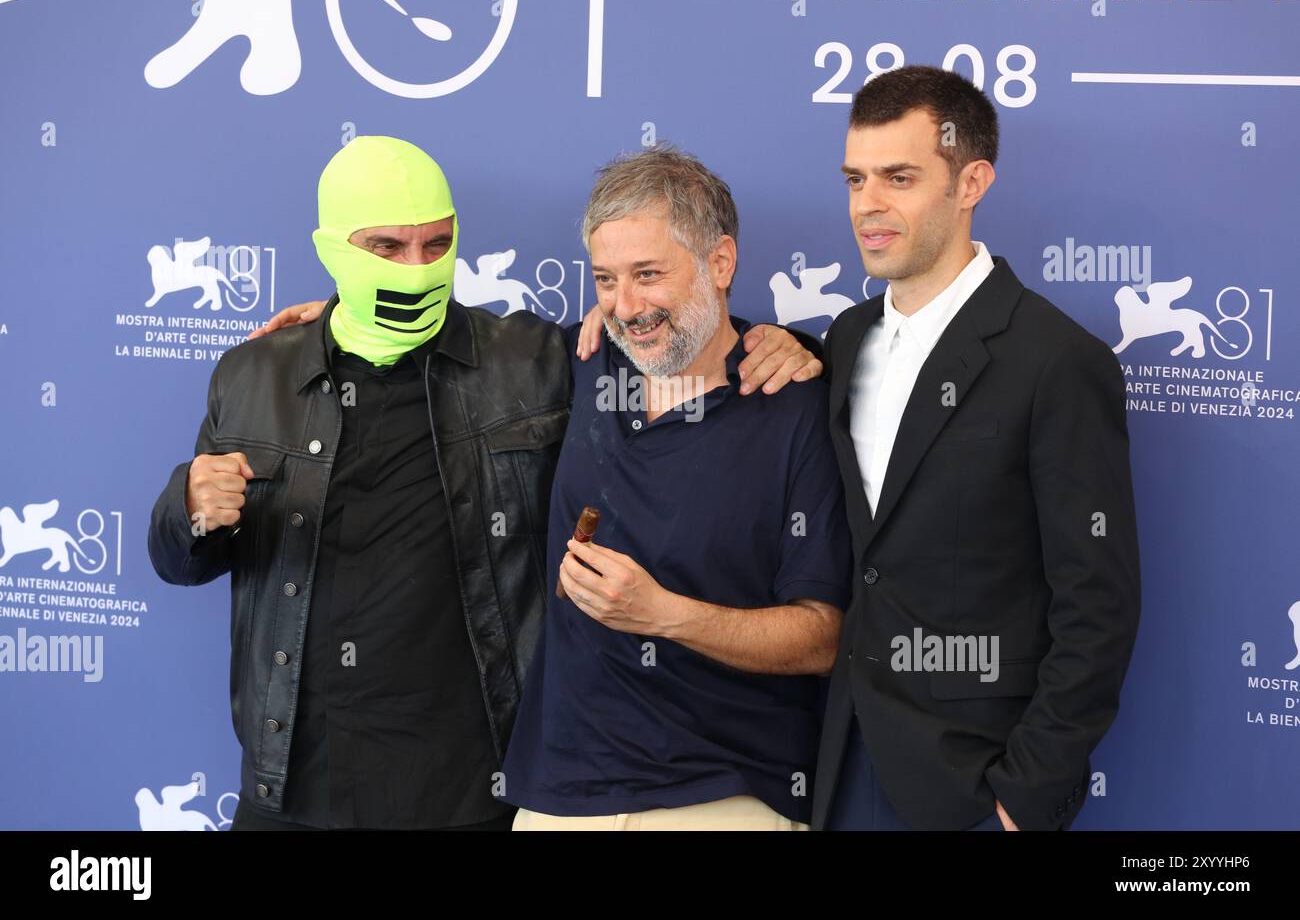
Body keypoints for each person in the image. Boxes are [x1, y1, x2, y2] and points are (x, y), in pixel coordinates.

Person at [148, 135, 820, 831]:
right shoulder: (256, 374)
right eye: (385, 249)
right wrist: (190, 507)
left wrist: (792, 345)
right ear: (335, 249)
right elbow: (181, 560)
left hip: (472, 790)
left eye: (435, 246)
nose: (415, 270)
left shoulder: (527, 361)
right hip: (291, 784)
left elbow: (676, 340)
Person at [812, 67, 1141, 832]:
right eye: (856, 178)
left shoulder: (1056, 359)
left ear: (971, 182)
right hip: (841, 761)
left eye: (900, 177)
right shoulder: (845, 338)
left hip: (971, 781)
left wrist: (1023, 798)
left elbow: (1098, 604)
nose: (869, 205)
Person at [501, 147, 853, 831]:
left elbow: (821, 637)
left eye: (648, 274)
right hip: (560, 797)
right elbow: (434, 347)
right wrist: (332, 321)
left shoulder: (797, 403)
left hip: (726, 794)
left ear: (720, 264)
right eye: (605, 279)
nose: (626, 306)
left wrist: (662, 614)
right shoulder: (578, 361)